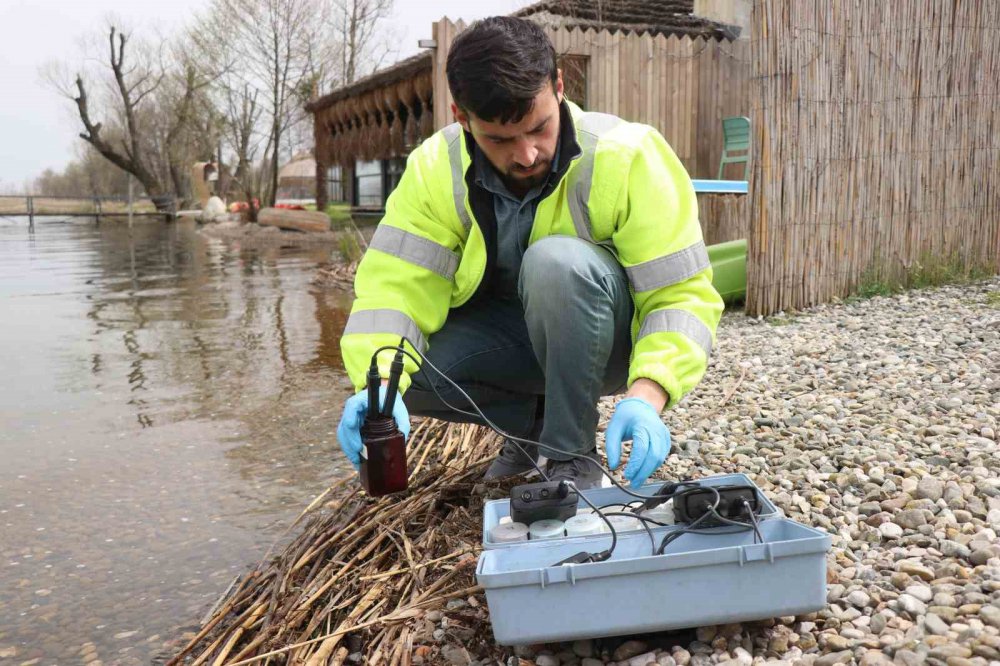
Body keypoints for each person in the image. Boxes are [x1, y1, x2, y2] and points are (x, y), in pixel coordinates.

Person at [337, 16, 723, 490]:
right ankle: (529, 425)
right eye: (500, 139)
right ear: (462, 117)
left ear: (559, 86)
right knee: (397, 370)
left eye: (539, 128)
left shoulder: (628, 156)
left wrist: (650, 392)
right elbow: (392, 291)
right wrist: (377, 385)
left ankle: (569, 454)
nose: (526, 155)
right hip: (512, 342)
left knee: (556, 265)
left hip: (608, 343)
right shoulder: (435, 169)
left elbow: (681, 296)